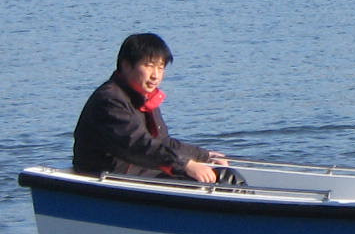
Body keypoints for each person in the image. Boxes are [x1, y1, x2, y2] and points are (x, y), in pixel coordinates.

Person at [73, 33, 238, 184]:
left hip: (139, 170)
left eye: (161, 67)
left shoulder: (143, 96)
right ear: (126, 66)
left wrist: (204, 156)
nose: (155, 75)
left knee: (224, 175)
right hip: (111, 177)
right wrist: (186, 165)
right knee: (212, 180)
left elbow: (163, 142)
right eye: (149, 66)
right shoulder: (110, 100)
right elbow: (139, 145)